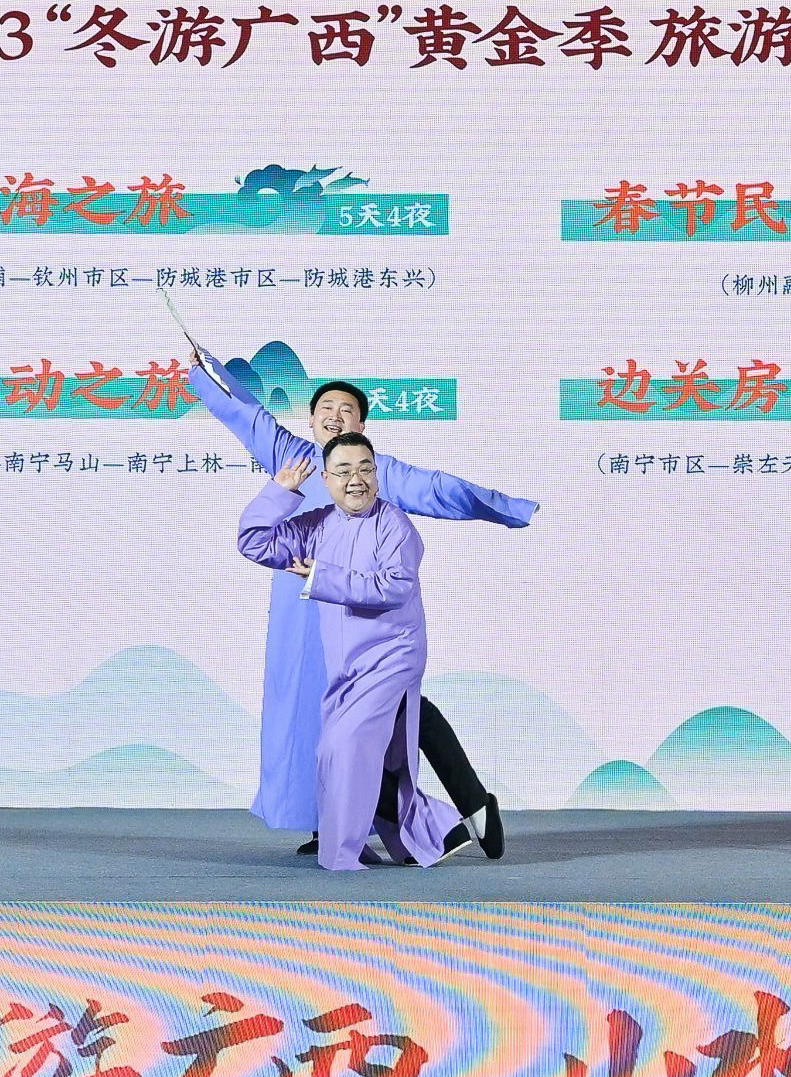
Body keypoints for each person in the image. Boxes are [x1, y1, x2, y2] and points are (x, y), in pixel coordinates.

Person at [189, 351, 533, 857]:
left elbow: (439, 490)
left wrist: (505, 508)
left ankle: (467, 808)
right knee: (317, 718)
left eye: (346, 409)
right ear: (310, 421)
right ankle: (331, 824)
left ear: (363, 425)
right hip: (302, 614)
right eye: (325, 408)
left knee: (399, 712)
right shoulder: (291, 456)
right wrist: (205, 371)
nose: (335, 416)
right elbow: (244, 413)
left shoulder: (375, 471)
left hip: (364, 617)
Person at [236, 439, 464, 872]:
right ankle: (425, 835)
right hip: (345, 665)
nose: (355, 479)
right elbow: (254, 543)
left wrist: (323, 576)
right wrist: (280, 492)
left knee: (344, 747)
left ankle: (345, 855)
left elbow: (394, 588)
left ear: (376, 475)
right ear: (326, 480)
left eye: (365, 469)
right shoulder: (318, 525)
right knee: (348, 753)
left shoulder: (394, 525)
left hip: (392, 655)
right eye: (343, 471)